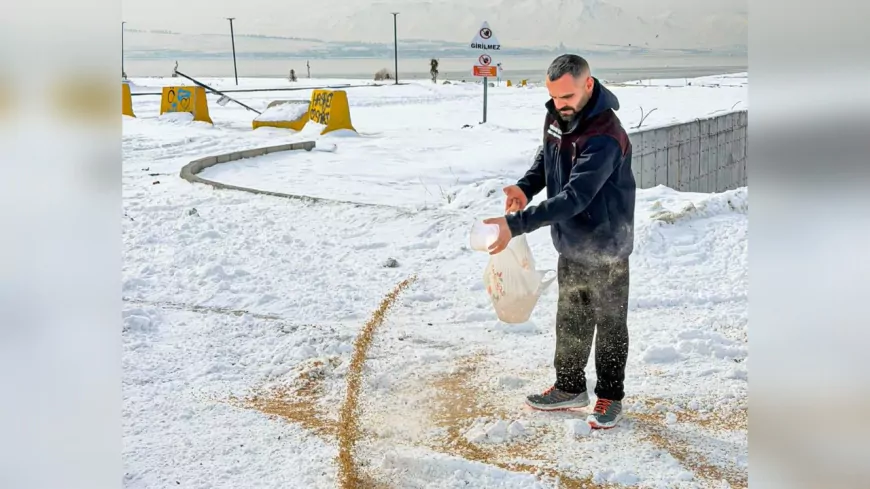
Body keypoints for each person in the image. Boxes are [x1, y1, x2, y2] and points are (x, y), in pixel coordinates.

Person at [483, 54, 636, 429]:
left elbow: (575, 197)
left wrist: (515, 224)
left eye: (566, 96)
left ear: (588, 84)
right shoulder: (557, 115)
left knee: (610, 323)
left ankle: (610, 397)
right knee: (571, 316)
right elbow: (547, 157)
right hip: (571, 241)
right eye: (554, 97)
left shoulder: (605, 135)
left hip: (607, 245)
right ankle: (569, 387)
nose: (559, 105)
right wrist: (525, 186)